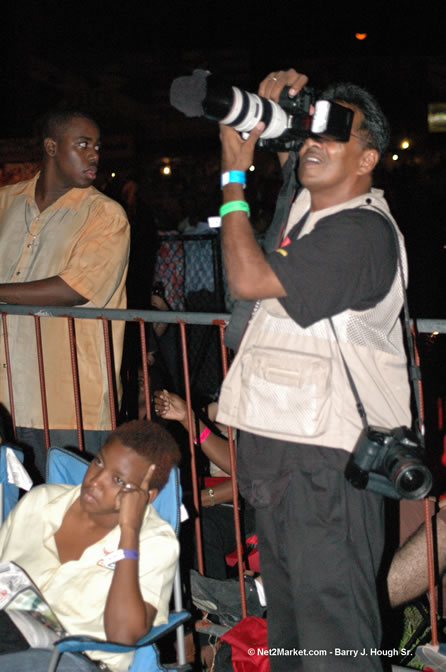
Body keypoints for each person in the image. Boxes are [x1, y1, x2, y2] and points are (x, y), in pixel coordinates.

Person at [216, 69, 411, 671]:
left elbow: (248, 277)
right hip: (286, 458)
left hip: (328, 468)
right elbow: (246, 299)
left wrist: (232, 176)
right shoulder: (303, 218)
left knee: (334, 642)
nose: (313, 145)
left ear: (369, 157)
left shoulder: (361, 232)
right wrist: (272, 115)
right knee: (296, 637)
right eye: (308, 135)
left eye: (334, 135)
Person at [0, 110, 130, 477]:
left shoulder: (106, 216)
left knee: (71, 518)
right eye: (84, 144)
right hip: (7, 397)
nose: (94, 155)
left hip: (69, 402)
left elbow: (72, 289)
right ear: (51, 147)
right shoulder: (6, 202)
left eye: (98, 147)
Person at [0, 419, 181, 672]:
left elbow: (122, 635)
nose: (95, 481)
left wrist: (129, 533)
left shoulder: (155, 542)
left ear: (145, 495)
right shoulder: (39, 503)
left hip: (73, 661)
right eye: (99, 462)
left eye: (117, 480)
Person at [154, 389, 255, 579]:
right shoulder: (227, 405)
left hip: (251, 506)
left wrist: (196, 501)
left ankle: (215, 604)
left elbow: (246, 475)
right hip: (219, 497)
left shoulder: (268, 416)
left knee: (201, 527)